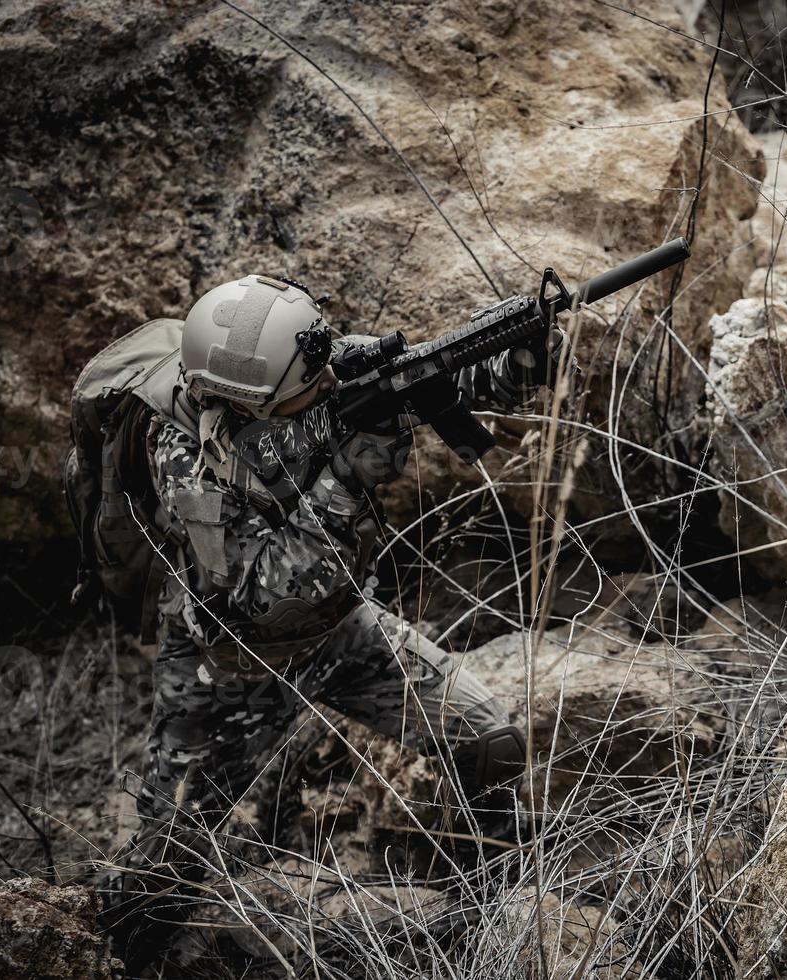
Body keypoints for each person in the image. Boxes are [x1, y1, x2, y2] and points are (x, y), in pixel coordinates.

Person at [96, 273, 564, 971]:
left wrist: (522, 353)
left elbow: (454, 384)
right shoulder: (185, 459)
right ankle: (105, 958)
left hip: (343, 633)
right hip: (232, 674)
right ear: (256, 396)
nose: (329, 377)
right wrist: (346, 477)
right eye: (311, 380)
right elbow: (265, 593)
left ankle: (480, 915)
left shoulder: (311, 367)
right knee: (169, 864)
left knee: (490, 741)